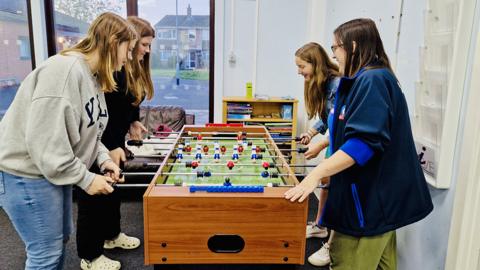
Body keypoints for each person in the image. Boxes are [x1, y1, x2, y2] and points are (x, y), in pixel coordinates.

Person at [285, 18, 433, 270]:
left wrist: (314, 176)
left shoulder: (373, 80)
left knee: (346, 260)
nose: (334, 54)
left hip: (370, 203)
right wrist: (322, 146)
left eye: (335, 48)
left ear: (352, 46)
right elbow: (346, 129)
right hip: (372, 201)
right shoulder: (363, 79)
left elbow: (363, 143)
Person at [0, 12, 136, 270]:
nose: (128, 58)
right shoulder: (64, 72)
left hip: (49, 172)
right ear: (112, 42)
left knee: (57, 243)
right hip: (25, 173)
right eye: (127, 50)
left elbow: (90, 132)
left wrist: (104, 160)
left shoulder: (94, 78)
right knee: (45, 255)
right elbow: (47, 146)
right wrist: (87, 179)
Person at [76, 16, 155, 270]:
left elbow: (127, 106)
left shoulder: (131, 68)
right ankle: (90, 256)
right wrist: (109, 148)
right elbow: (102, 114)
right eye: (142, 44)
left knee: (112, 194)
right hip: (99, 143)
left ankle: (111, 237)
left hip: (114, 141)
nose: (145, 50)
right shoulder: (112, 70)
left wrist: (133, 122)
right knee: (93, 199)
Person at [295, 42, 340, 267]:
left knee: (339, 192)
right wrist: (311, 133)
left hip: (345, 144)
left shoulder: (338, 83)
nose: (299, 71)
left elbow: (345, 125)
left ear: (315, 62)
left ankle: (332, 246)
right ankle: (321, 226)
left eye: (301, 66)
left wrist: (321, 145)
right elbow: (328, 116)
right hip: (334, 141)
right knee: (326, 182)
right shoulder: (323, 83)